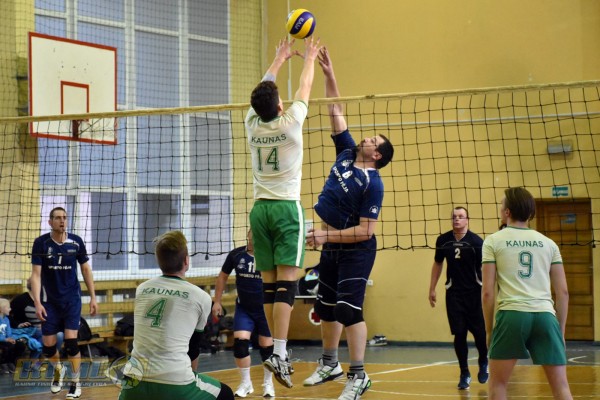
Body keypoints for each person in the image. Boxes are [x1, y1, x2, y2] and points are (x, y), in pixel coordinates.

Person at [302, 47, 394, 400]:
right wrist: (329, 73)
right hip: (332, 244)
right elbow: (335, 109)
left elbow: (366, 231)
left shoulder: (373, 183)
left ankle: (358, 375)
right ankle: (329, 363)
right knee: (325, 307)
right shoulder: (346, 152)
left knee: (348, 310)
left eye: (373, 141)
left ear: (377, 155)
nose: (367, 138)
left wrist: (326, 235)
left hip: (357, 250)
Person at [245, 36, 322, 389]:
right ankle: (278, 351)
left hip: (259, 210)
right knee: (287, 285)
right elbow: (305, 87)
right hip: (287, 210)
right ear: (279, 105)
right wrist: (309, 57)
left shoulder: (251, 123)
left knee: (269, 286)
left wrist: (278, 59)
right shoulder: (290, 123)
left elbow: (264, 90)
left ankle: (276, 350)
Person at [118, 230, 234, 400]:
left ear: (159, 261)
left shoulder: (142, 289)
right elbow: (193, 348)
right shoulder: (201, 297)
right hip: (175, 383)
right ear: (186, 260)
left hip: (132, 383)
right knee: (226, 394)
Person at [482, 187, 572, 400]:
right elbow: (563, 292)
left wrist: (489, 330)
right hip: (545, 316)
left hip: (512, 316)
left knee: (498, 385)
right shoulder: (549, 244)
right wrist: (560, 331)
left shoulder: (493, 241)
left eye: (501, 205)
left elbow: (487, 292)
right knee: (561, 388)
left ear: (507, 212)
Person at [30, 206, 98, 398]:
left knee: (71, 344)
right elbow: (36, 275)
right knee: (48, 347)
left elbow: (85, 269)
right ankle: (59, 369)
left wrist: (93, 297)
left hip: (71, 301)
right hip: (49, 302)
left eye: (64, 218)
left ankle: (75, 383)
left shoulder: (76, 242)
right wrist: (37, 302)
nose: (62, 221)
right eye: (58, 218)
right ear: (50, 222)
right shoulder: (41, 243)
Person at [428, 206, 488, 390]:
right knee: (459, 334)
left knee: (479, 334)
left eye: (460, 216)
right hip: (454, 294)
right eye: (454, 216)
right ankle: (464, 373)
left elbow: (486, 268)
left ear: (467, 219)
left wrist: (488, 292)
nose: (457, 219)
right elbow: (438, 263)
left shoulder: (477, 242)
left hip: (474, 293)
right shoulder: (443, 240)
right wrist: (432, 288)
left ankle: (483, 362)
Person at [212, 230, 275, 398]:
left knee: (266, 348)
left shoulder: (271, 255)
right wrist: (217, 302)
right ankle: (246, 383)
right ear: (248, 235)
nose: (255, 238)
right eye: (253, 234)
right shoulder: (236, 254)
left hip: (265, 309)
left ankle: (268, 383)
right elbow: (222, 277)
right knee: (240, 345)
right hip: (244, 308)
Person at [10, 277, 64, 371]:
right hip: (27, 330)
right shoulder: (20, 300)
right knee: (43, 334)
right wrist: (19, 324)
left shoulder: (46, 299)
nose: (28, 280)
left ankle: (46, 359)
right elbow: (9, 317)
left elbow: (53, 317)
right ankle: (34, 362)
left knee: (59, 335)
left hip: (44, 329)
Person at [0, 298, 27, 374]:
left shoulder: (6, 319)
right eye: (8, 307)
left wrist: (13, 338)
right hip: (1, 340)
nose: (10, 309)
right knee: (9, 346)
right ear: (1, 309)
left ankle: (11, 362)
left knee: (21, 345)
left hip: (6, 340)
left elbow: (9, 332)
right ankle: (3, 363)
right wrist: (5, 339)